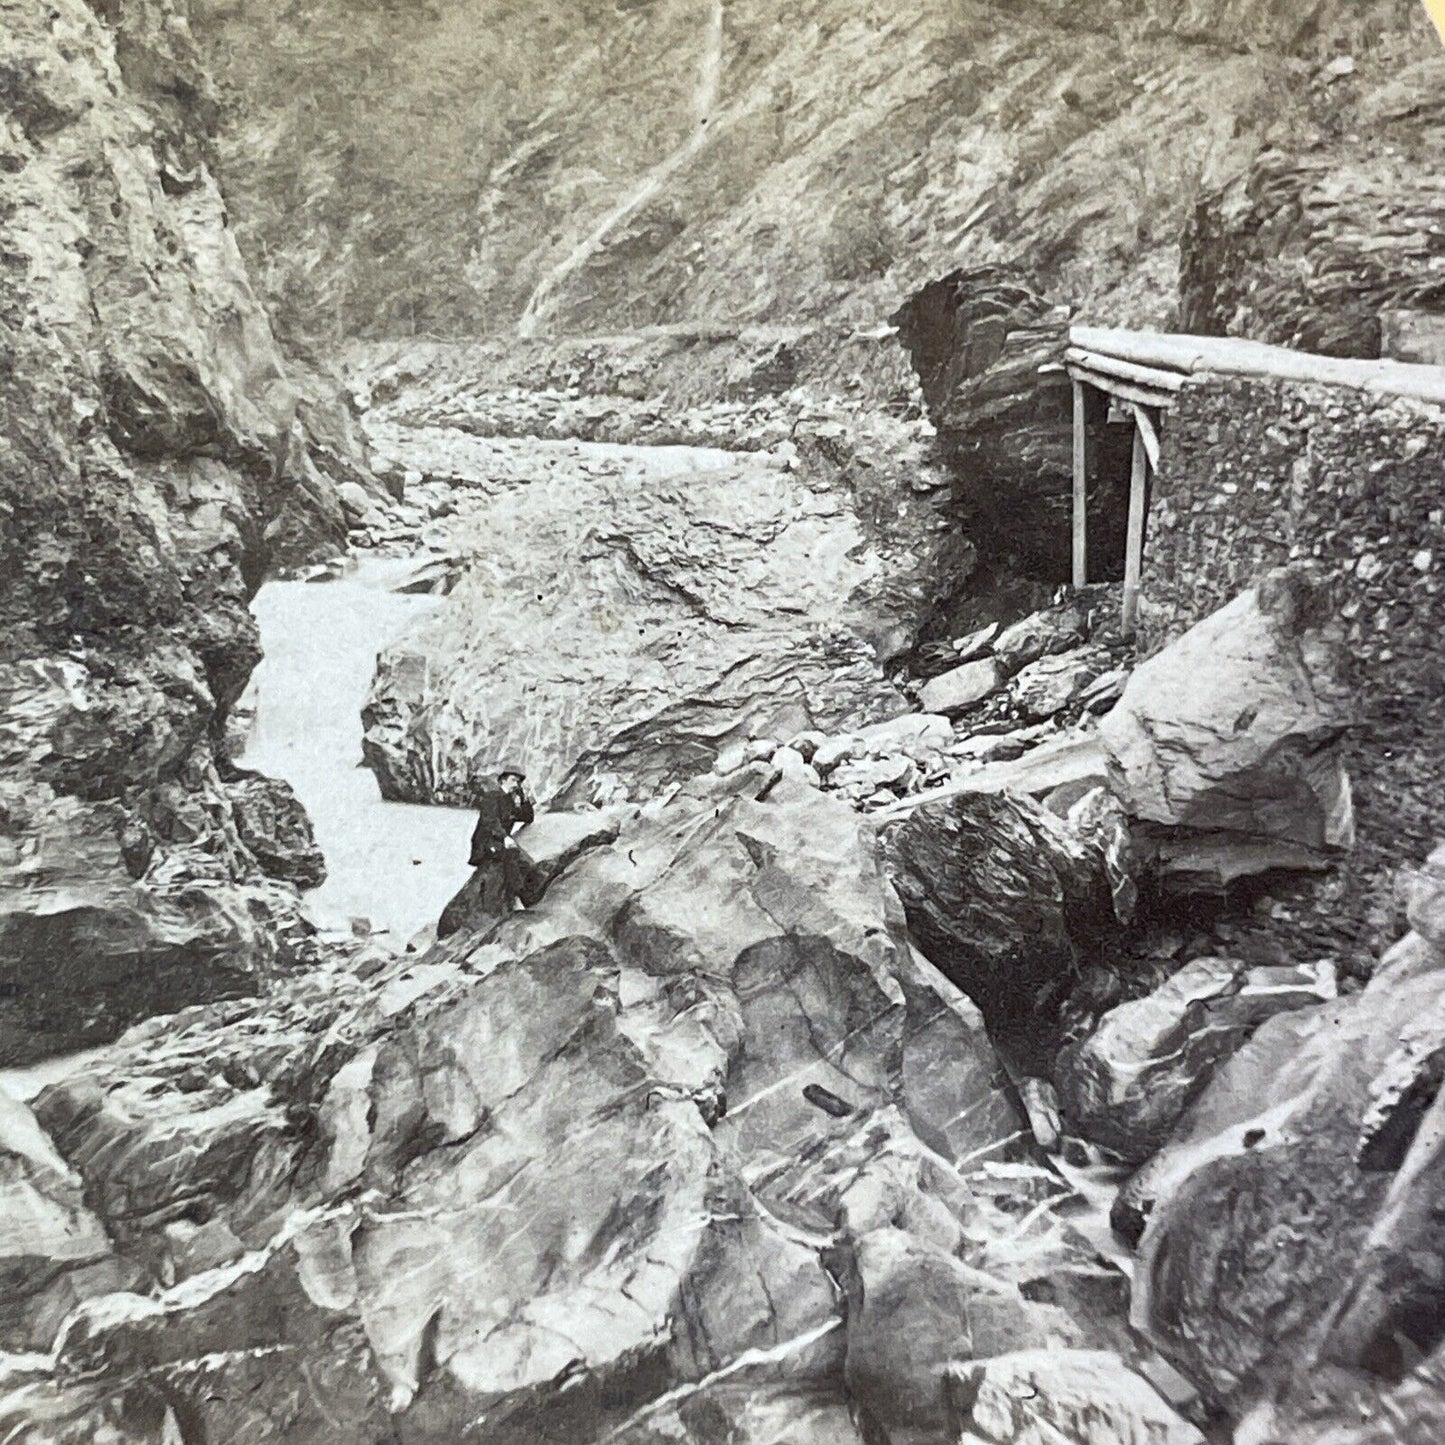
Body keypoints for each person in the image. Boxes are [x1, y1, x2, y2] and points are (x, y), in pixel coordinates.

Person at [467, 765, 546, 913]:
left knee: (525, 862)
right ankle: (518, 897)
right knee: (512, 855)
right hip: (485, 843)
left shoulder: (509, 800)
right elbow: (490, 822)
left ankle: (530, 895)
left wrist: (524, 798)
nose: (516, 784)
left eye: (518, 782)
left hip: (499, 841)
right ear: (503, 780)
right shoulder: (491, 796)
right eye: (513, 780)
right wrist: (505, 838)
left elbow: (527, 817)